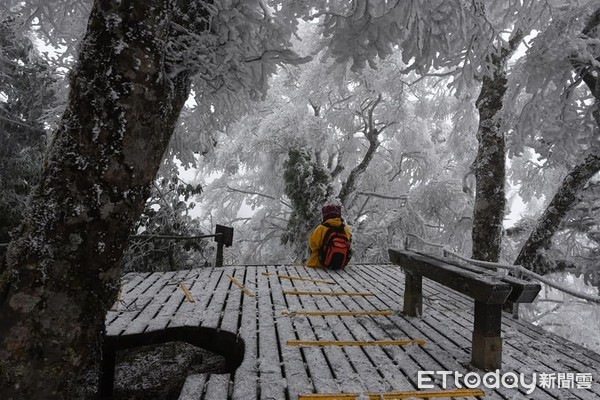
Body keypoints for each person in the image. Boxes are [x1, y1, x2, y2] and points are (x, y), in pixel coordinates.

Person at [306, 204, 352, 268]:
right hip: (340, 265)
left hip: (319, 265)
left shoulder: (321, 228)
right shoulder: (346, 229)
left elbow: (312, 244)